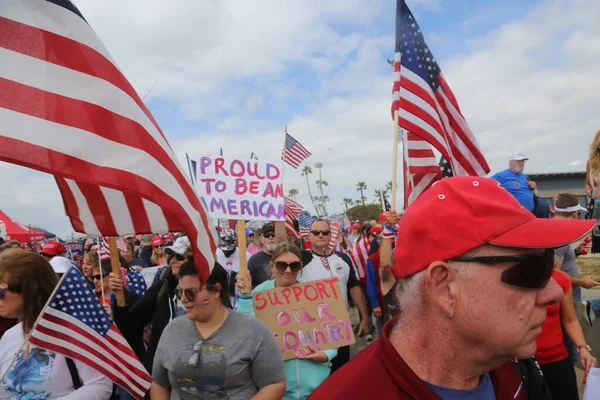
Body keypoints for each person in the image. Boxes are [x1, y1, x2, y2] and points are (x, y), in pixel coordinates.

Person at [310, 176, 595, 399]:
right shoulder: (348, 394)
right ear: (444, 287)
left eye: (548, 262)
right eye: (533, 271)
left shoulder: (515, 367)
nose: (555, 292)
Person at [150, 261, 286, 399]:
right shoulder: (172, 330)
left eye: (191, 292)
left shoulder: (254, 330)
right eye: (179, 292)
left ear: (216, 290)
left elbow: (274, 384)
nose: (183, 299)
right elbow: (159, 384)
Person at [0, 249, 112, 399]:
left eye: (1, 291)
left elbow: (100, 386)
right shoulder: (9, 336)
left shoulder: (73, 330)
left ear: (29, 289)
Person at [237, 241, 336, 399]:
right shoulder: (259, 293)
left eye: (294, 265)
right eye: (282, 265)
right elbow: (244, 329)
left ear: (301, 266)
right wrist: (245, 297)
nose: (288, 271)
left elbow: (332, 332)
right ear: (272, 265)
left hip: (316, 388)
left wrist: (326, 355)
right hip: (275, 390)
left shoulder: (314, 293)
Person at [112, 236, 192, 373]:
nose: (172, 260)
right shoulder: (164, 283)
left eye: (179, 257)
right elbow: (133, 322)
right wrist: (120, 297)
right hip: (164, 370)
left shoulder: (209, 289)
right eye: (171, 255)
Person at [301, 218, 371, 374]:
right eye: (316, 232)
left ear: (330, 234)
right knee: (317, 374)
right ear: (309, 236)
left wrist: (365, 317)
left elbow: (353, 287)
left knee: (340, 370)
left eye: (325, 232)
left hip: (339, 327)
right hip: (312, 329)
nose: (320, 235)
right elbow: (280, 247)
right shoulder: (300, 260)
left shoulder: (343, 258)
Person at [535, 268, 597, 400]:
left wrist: (583, 348)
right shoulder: (511, 277)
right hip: (521, 362)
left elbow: (570, 320)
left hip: (556, 359)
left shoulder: (560, 279)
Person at [552, 193, 599, 363]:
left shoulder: (553, 230)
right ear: (575, 214)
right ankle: (569, 384)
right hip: (566, 300)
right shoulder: (559, 236)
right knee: (570, 350)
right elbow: (554, 272)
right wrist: (582, 282)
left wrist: (577, 252)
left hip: (565, 298)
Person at [215, 229, 251, 309]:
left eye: (229, 249)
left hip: (238, 300)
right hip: (220, 300)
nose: (226, 252)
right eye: (224, 250)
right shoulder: (215, 254)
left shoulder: (246, 256)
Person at [247, 223, 278, 288]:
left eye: (273, 234)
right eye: (267, 235)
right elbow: (250, 285)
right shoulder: (253, 261)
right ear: (261, 239)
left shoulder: (285, 256)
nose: (271, 237)